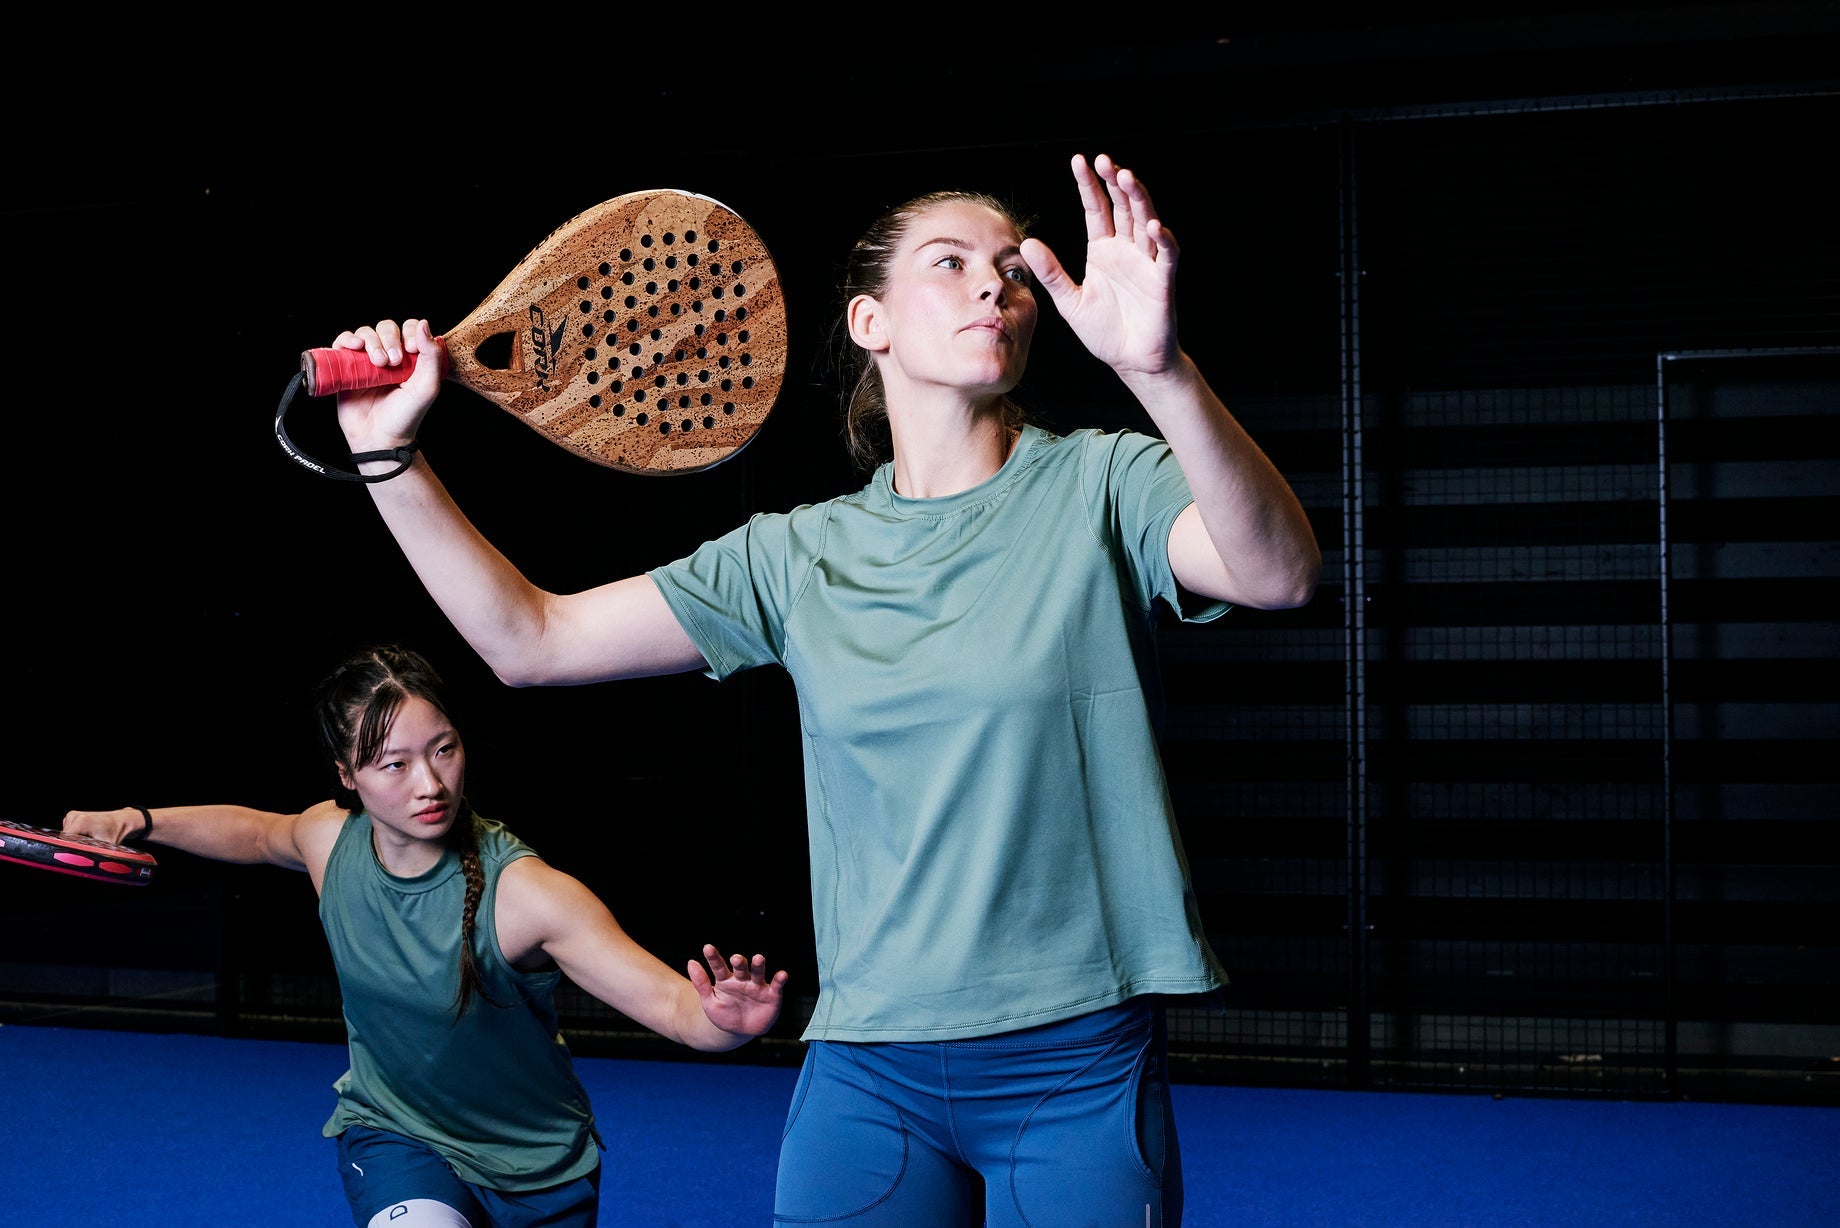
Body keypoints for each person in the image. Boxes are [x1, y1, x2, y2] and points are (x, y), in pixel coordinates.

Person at [322, 153, 1321, 1226]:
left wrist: (1161, 373)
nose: (995, 285)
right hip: (869, 1067)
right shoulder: (796, 559)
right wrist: (390, 459)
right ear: (869, 323)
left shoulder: (1103, 484)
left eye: (1012, 272)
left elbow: (1278, 572)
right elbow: (530, 639)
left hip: (1074, 1059)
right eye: (950, 263)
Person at [62, 642, 788, 1228]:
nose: (429, 783)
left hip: (537, 1166)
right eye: (394, 764)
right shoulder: (328, 842)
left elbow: (673, 1009)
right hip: (396, 1132)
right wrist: (138, 819)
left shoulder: (528, 895)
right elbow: (257, 834)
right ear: (347, 775)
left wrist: (725, 1023)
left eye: (443, 749)